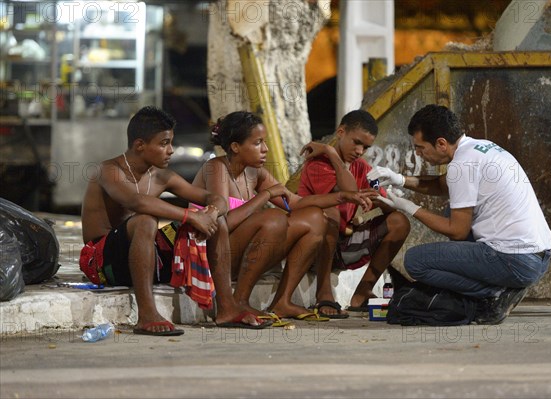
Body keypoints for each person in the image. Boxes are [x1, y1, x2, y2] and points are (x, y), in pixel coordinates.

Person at [80, 106, 268, 336]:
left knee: (217, 222)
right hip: (101, 264)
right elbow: (136, 202)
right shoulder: (109, 170)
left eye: (171, 143)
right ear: (140, 145)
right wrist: (190, 216)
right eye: (163, 143)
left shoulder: (162, 176)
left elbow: (216, 198)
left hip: (147, 259)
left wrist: (210, 212)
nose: (170, 150)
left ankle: (227, 308)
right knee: (146, 220)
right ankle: (147, 314)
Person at [368, 104, 551, 324]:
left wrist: (407, 206)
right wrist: (399, 179)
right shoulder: (481, 148)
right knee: (451, 209)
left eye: (420, 148)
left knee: (416, 261)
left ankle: (494, 293)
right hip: (539, 256)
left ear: (441, 144)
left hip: (515, 260)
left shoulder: (461, 165)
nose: (418, 154)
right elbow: (442, 185)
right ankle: (503, 286)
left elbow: (457, 231)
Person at [192, 111, 376, 320]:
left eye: (265, 142)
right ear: (235, 147)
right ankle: (239, 300)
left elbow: (295, 203)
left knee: (315, 218)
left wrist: (344, 196)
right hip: (214, 257)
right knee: (274, 218)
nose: (265, 149)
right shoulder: (216, 169)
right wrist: (265, 195)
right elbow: (222, 225)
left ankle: (282, 301)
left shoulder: (255, 172)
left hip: (239, 253)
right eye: (258, 143)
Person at [298, 110, 411, 317]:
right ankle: (324, 292)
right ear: (340, 132)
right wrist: (330, 152)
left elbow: (389, 205)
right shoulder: (319, 163)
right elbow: (348, 190)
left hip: (343, 245)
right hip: (313, 247)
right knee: (330, 213)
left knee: (399, 222)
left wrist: (377, 198)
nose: (360, 151)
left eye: (366, 147)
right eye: (356, 142)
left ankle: (362, 292)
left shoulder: (361, 166)